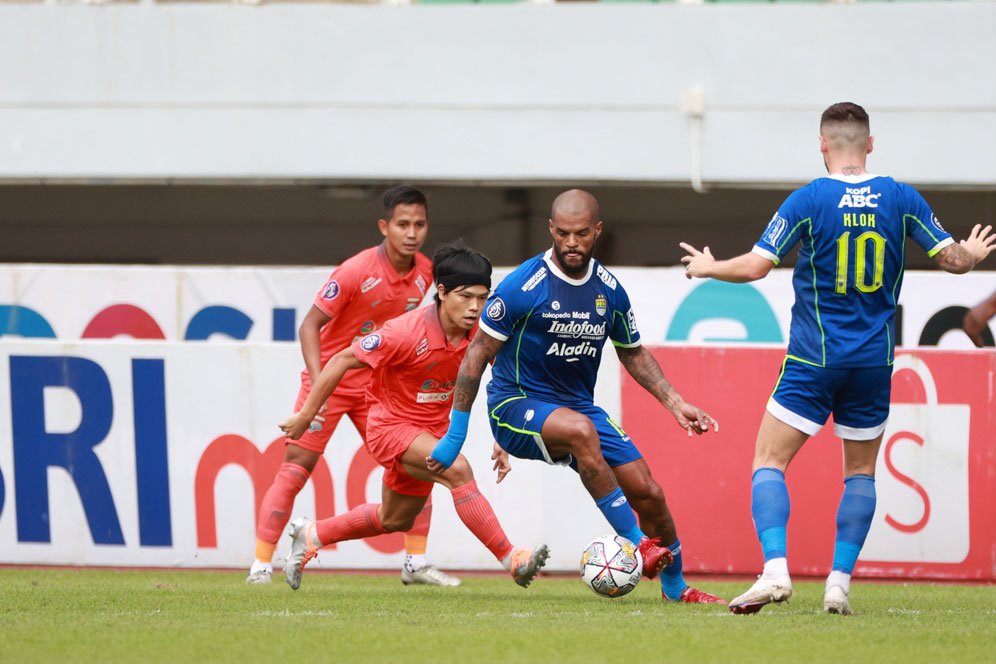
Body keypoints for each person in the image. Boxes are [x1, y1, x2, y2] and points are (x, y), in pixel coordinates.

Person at [680, 102, 996, 615]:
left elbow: (759, 266)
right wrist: (974, 255)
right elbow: (952, 260)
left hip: (813, 358)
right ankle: (839, 583)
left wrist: (711, 266)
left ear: (822, 144)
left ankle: (776, 571)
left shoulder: (809, 200)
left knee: (768, 461)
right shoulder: (900, 197)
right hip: (873, 361)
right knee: (861, 475)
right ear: (870, 144)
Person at [428, 189, 725, 604]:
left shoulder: (609, 290)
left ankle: (676, 590)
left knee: (649, 492)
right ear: (551, 229)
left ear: (596, 231)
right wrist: (455, 436)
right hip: (516, 404)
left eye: (581, 234)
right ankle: (639, 543)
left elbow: (633, 352)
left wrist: (676, 403)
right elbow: (477, 354)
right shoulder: (522, 286)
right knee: (581, 430)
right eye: (563, 233)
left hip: (578, 408)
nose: (571, 242)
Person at [279, 240, 549, 591]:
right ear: (441, 292)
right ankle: (511, 557)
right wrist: (306, 415)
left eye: (483, 297)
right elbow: (342, 359)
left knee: (394, 519)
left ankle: (312, 534)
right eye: (465, 296)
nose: (475, 307)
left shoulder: (482, 336)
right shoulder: (403, 332)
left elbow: (501, 384)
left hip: (430, 433)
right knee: (458, 469)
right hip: (389, 427)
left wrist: (502, 436)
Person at [247, 185, 460, 587]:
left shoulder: (428, 273)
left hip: (377, 388)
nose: (411, 233)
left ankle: (415, 563)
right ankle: (260, 566)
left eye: (419, 224)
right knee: (296, 468)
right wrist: (315, 385)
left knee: (420, 463)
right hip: (331, 378)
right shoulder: (355, 271)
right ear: (384, 226)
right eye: (402, 224)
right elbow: (309, 325)